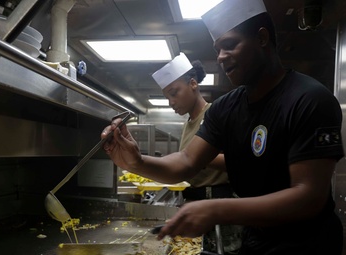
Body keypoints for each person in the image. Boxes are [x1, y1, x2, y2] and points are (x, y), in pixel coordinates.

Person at [101, 0, 344, 254]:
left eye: (229, 45)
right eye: (217, 49)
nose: (220, 57)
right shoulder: (226, 109)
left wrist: (216, 209)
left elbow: (308, 197)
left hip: (308, 244)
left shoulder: (310, 100)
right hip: (257, 239)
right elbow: (186, 162)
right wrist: (137, 162)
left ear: (262, 38)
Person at [152, 52, 232, 201]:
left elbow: (237, 160)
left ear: (193, 84)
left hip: (214, 201)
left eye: (174, 93)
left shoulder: (216, 113)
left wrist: (196, 156)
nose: (171, 102)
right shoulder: (188, 124)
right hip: (193, 199)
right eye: (167, 98)